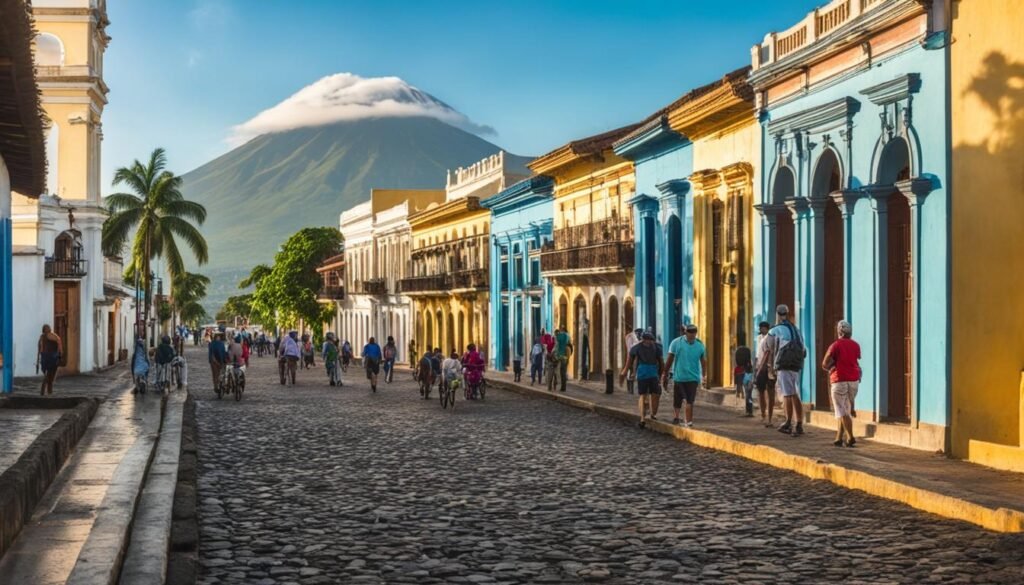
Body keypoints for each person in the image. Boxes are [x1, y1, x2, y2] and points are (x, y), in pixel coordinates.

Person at [766, 304, 806, 437]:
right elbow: (803, 349)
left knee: (787, 394)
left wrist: (770, 367)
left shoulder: (775, 330)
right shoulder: (796, 329)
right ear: (787, 314)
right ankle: (799, 423)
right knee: (795, 393)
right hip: (796, 364)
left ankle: (788, 422)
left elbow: (770, 348)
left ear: (777, 314)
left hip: (784, 364)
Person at [822, 320, 861, 447]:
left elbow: (824, 364)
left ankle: (850, 437)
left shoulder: (835, 345)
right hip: (854, 381)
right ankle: (838, 437)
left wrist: (831, 366)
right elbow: (855, 361)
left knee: (843, 411)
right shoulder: (856, 345)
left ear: (839, 331)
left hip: (839, 380)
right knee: (843, 409)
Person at [663, 324, 707, 427]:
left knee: (689, 400)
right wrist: (665, 373)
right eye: (689, 333)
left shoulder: (700, 345)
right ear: (685, 333)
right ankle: (676, 417)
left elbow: (703, 361)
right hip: (679, 377)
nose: (692, 336)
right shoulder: (676, 343)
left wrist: (704, 375)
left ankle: (689, 421)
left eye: (694, 334)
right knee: (677, 399)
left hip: (693, 377)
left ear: (696, 334)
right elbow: (670, 359)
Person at [621, 331, 663, 427]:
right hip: (648, 373)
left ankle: (648, 416)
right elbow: (661, 362)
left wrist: (625, 371)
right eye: (646, 339)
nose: (647, 341)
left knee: (649, 395)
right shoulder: (654, 347)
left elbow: (630, 361)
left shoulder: (639, 348)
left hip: (647, 373)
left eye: (649, 339)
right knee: (647, 395)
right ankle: (647, 416)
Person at [753, 321, 776, 427]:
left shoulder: (769, 338)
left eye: (763, 328)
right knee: (761, 392)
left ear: (767, 328)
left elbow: (767, 353)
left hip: (768, 368)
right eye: (760, 328)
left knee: (770, 393)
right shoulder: (758, 339)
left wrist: (761, 367)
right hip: (760, 367)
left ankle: (769, 417)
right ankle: (763, 414)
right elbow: (758, 354)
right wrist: (756, 367)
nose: (762, 329)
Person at [37, 324, 63, 396]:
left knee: (47, 374)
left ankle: (45, 391)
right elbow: (59, 343)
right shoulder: (53, 336)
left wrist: (38, 359)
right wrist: (60, 354)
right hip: (52, 357)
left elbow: (39, 350)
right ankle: (49, 391)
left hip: (44, 358)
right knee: (51, 376)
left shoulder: (41, 338)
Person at [735, 343, 754, 416]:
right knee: (749, 393)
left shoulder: (738, 369)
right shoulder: (749, 368)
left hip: (740, 373)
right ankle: (749, 410)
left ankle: (747, 411)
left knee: (743, 392)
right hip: (748, 373)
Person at [554, 326, 573, 393]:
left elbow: (558, 346)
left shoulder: (561, 336)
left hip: (562, 354)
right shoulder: (568, 336)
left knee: (562, 371)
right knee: (563, 370)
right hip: (567, 353)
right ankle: (563, 386)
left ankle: (563, 387)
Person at [624, 328, 642, 394]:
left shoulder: (640, 336)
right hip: (631, 355)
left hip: (638, 355)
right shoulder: (629, 337)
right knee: (630, 370)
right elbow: (630, 348)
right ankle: (630, 389)